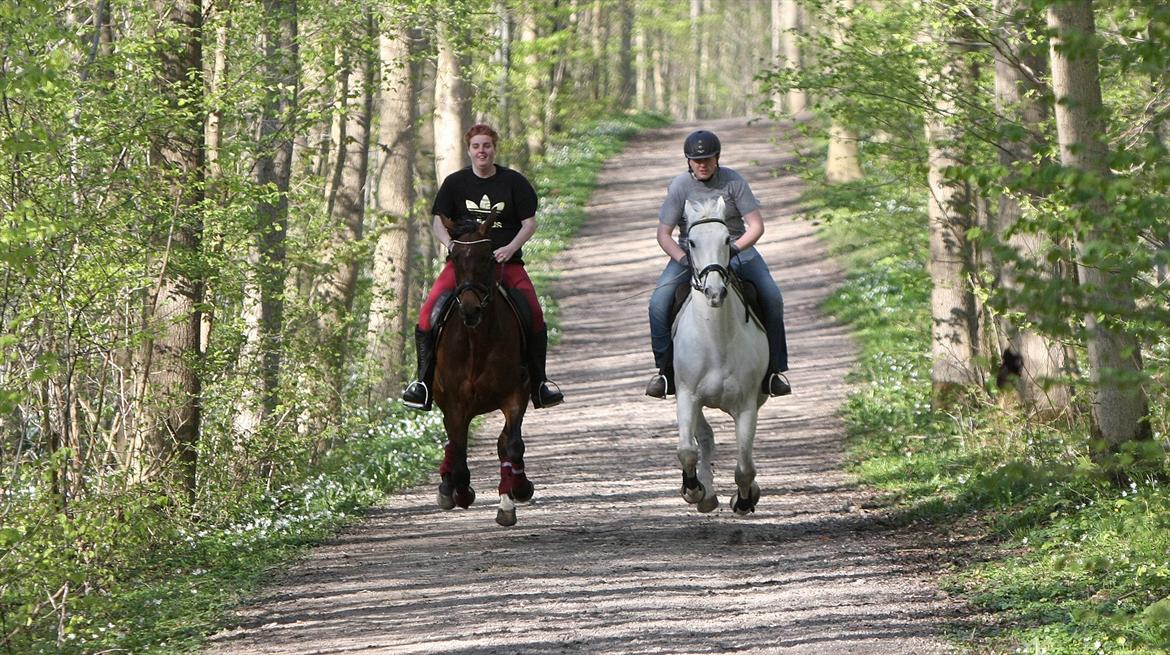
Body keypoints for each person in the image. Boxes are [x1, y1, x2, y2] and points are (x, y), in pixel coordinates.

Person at [402, 123, 563, 411]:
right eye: (476, 146)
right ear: (469, 150)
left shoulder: (514, 182)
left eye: (486, 145)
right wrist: (450, 245)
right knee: (428, 314)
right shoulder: (455, 183)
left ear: (494, 148)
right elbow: (439, 221)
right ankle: (423, 384)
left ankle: (539, 383)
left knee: (535, 314)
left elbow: (529, 223)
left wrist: (510, 247)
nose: (482, 151)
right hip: (464, 265)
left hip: (504, 263)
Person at [646, 129, 792, 399]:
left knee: (772, 297)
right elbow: (663, 234)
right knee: (658, 302)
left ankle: (774, 371)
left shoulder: (734, 182)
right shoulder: (679, 187)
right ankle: (665, 372)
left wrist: (734, 248)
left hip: (736, 249)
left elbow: (756, 226)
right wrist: (683, 259)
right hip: (693, 253)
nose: (702, 165)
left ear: (718, 158)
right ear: (688, 161)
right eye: (696, 160)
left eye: (708, 159)